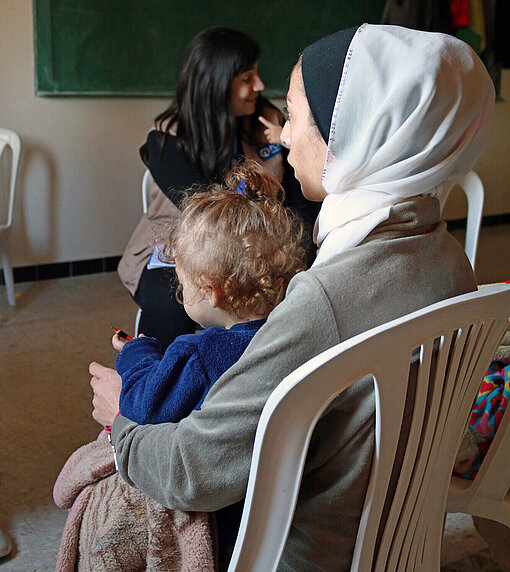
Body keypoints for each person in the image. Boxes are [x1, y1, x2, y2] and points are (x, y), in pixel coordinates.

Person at [91, 24, 495, 570]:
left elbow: (189, 470)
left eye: (298, 118)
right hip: (395, 531)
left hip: (299, 548)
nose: (281, 138)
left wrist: (122, 420)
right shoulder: (450, 258)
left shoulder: (322, 300)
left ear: (351, 134)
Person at [118, 26, 319, 351]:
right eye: (246, 78)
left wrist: (290, 145)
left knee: (295, 286)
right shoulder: (167, 138)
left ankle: (255, 382)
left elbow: (299, 201)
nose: (260, 85)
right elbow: (207, 211)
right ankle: (154, 389)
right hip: (179, 243)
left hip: (256, 244)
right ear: (216, 83)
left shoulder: (268, 122)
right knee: (172, 297)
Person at [113, 161, 306, 425]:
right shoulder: (293, 327)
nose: (180, 294)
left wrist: (137, 354)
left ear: (212, 291)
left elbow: (144, 403)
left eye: (183, 284)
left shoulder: (198, 356)